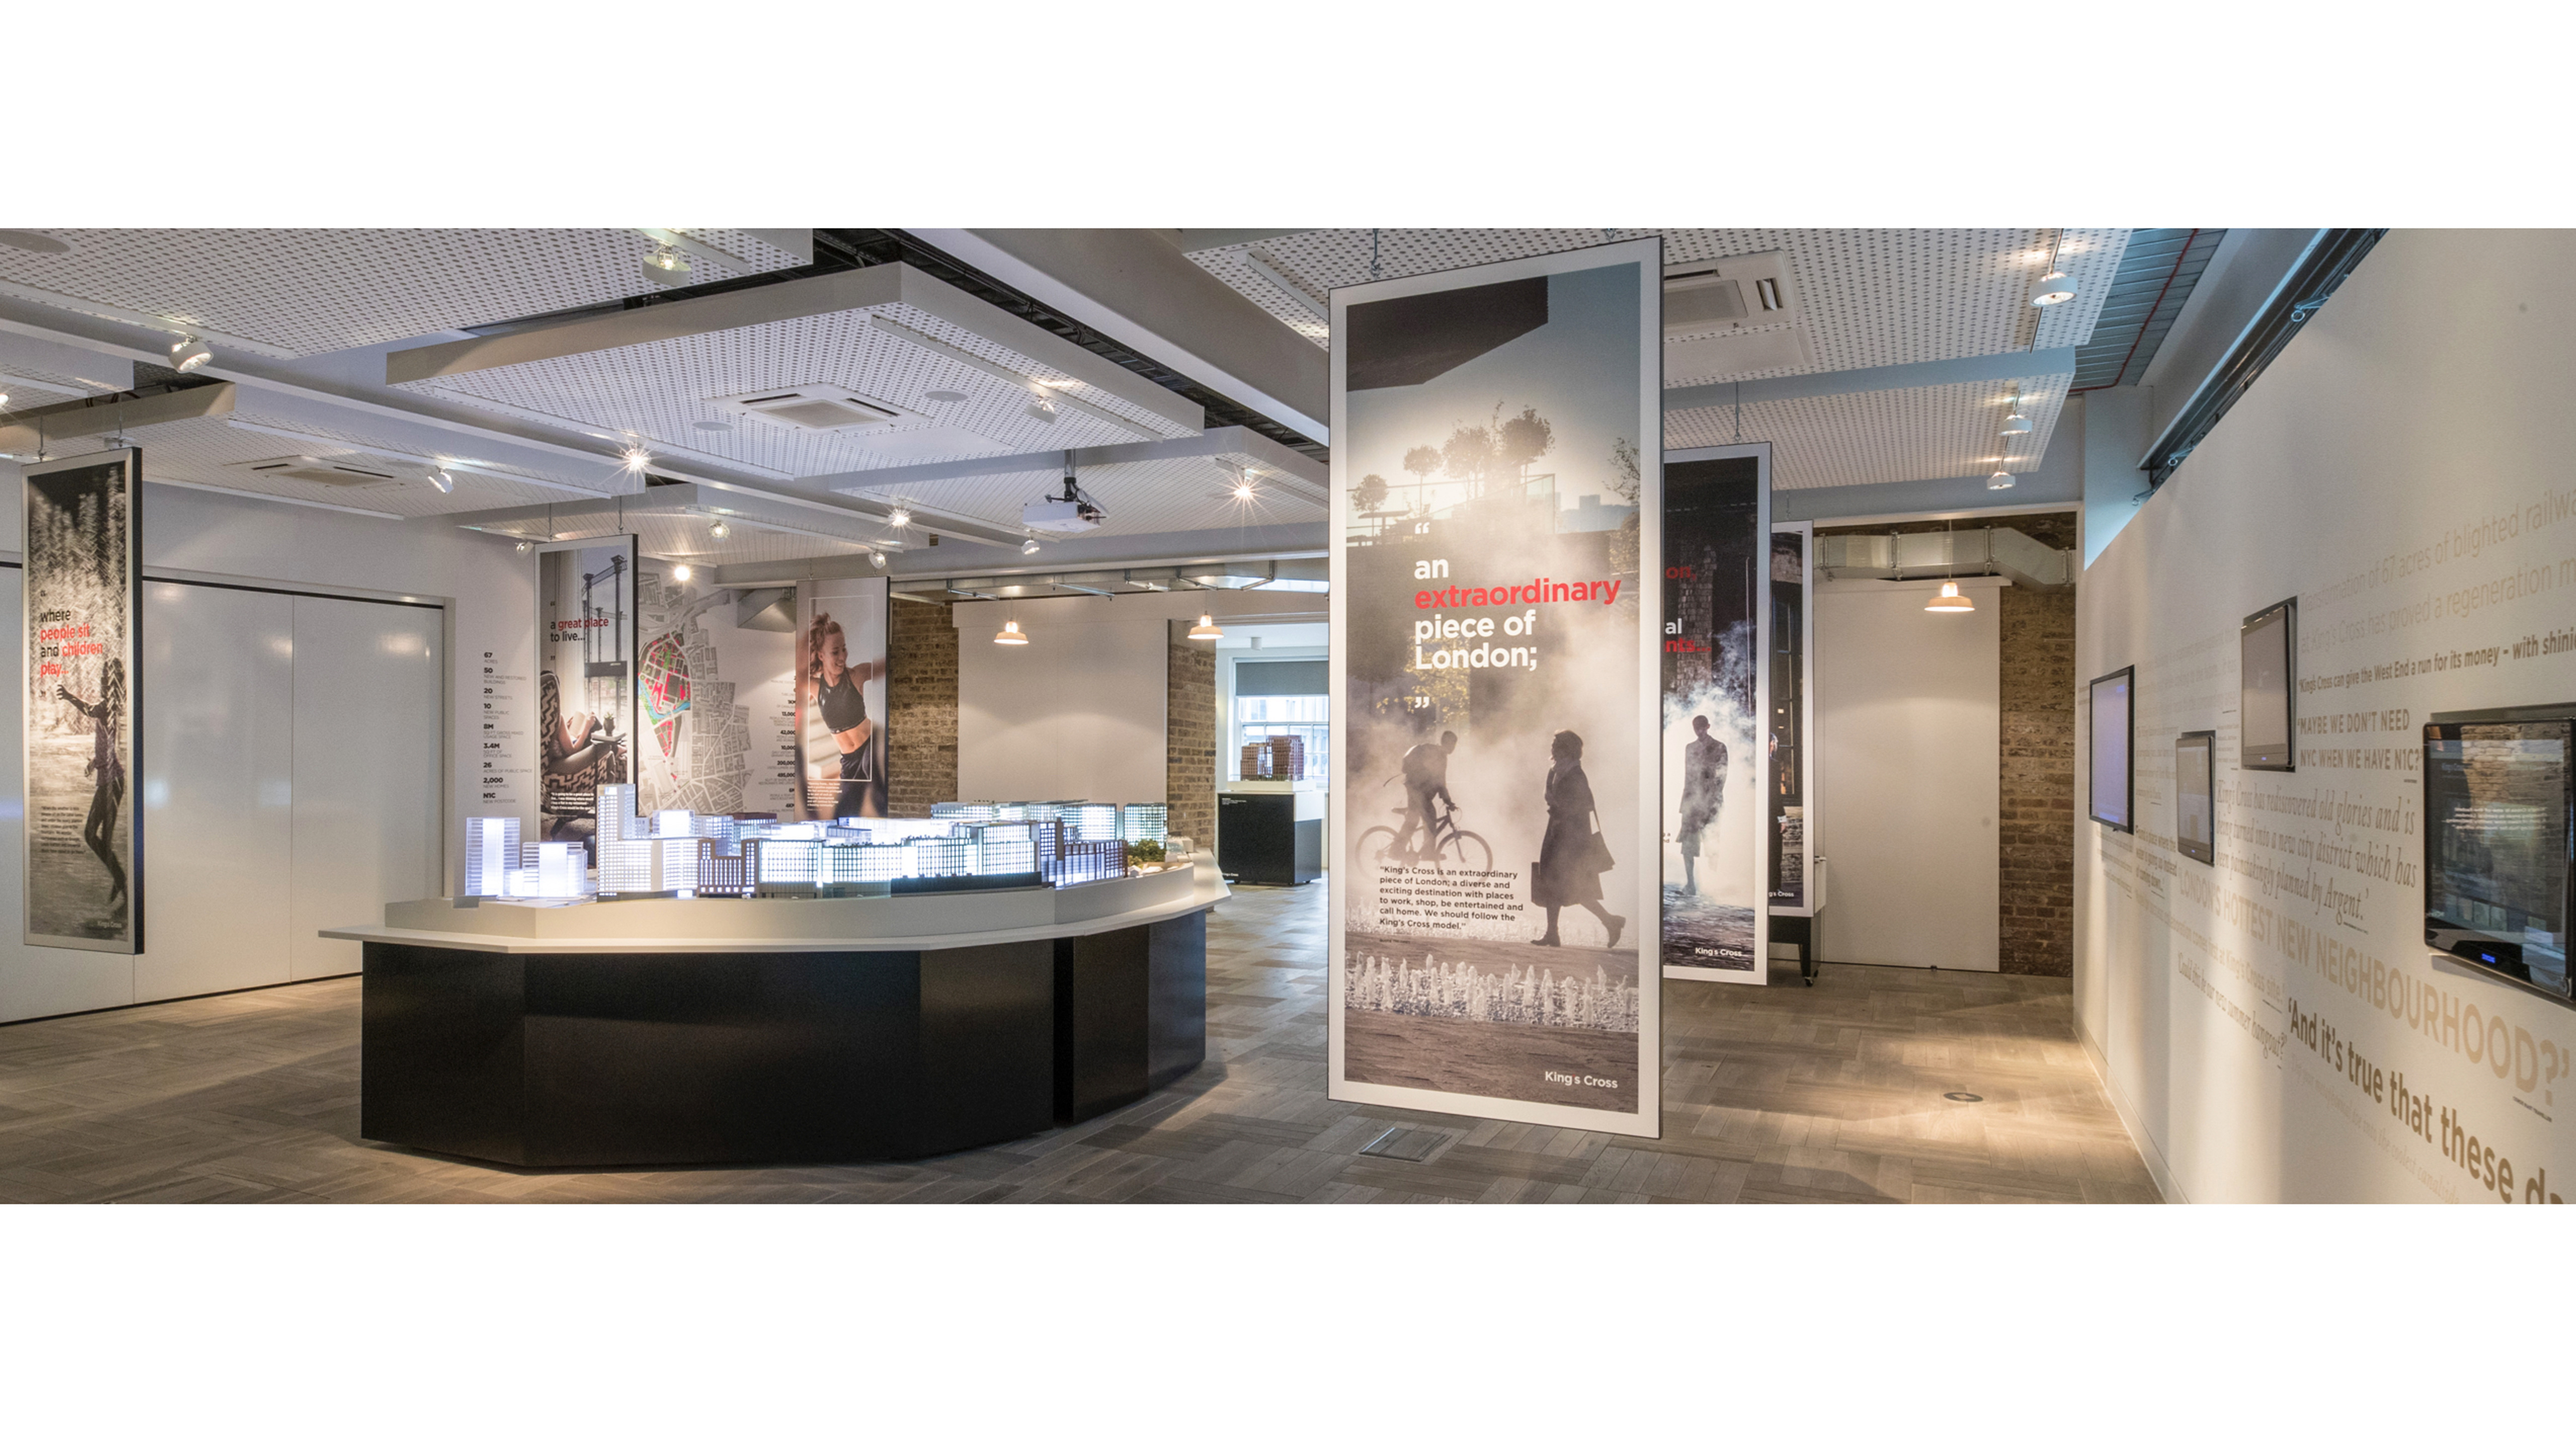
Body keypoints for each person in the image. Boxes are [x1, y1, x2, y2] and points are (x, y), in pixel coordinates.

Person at [1532, 729, 1625, 948]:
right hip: (1557, 830)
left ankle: (1610, 921)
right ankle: (1553, 933)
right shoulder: (1556, 771)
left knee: (1573, 886)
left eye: (1556, 743)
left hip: (1571, 836)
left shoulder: (1576, 774)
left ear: (1566, 748)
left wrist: (1561, 812)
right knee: (1553, 883)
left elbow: (1581, 806)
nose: (1552, 747)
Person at [56, 661, 128, 913]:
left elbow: (88, 710)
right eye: (103, 677)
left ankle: (122, 882)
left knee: (90, 834)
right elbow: (107, 746)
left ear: (112, 683)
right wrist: (94, 763)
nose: (102, 682)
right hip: (113, 781)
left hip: (112, 783)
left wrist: (68, 696)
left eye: (106, 678)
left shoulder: (108, 706)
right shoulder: (112, 706)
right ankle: (122, 883)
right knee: (103, 841)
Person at [807, 612, 882, 820]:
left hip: (870, 748)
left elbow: (884, 666)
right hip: (849, 760)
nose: (842, 657)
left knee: (879, 803)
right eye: (835, 652)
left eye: (844, 649)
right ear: (821, 655)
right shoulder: (815, 687)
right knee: (843, 812)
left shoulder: (856, 676)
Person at [1677, 714, 1728, 896]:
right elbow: (1688, 776)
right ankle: (1691, 884)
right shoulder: (1690, 748)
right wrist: (1687, 803)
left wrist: (1710, 801)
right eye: (1696, 729)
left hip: (1711, 803)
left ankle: (1713, 884)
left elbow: (1721, 777)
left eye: (1701, 728)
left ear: (1708, 727)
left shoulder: (1719, 747)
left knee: (1712, 844)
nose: (1699, 732)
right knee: (1688, 846)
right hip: (1692, 803)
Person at [1397, 730, 1458, 860]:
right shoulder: (1439, 756)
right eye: (1453, 744)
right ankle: (1428, 853)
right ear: (1448, 743)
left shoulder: (1436, 752)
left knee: (1413, 820)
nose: (1454, 747)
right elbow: (1440, 782)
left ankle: (1395, 851)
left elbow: (1439, 782)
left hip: (1414, 788)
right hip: (1418, 791)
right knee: (1430, 818)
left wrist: (1447, 800)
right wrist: (1448, 802)